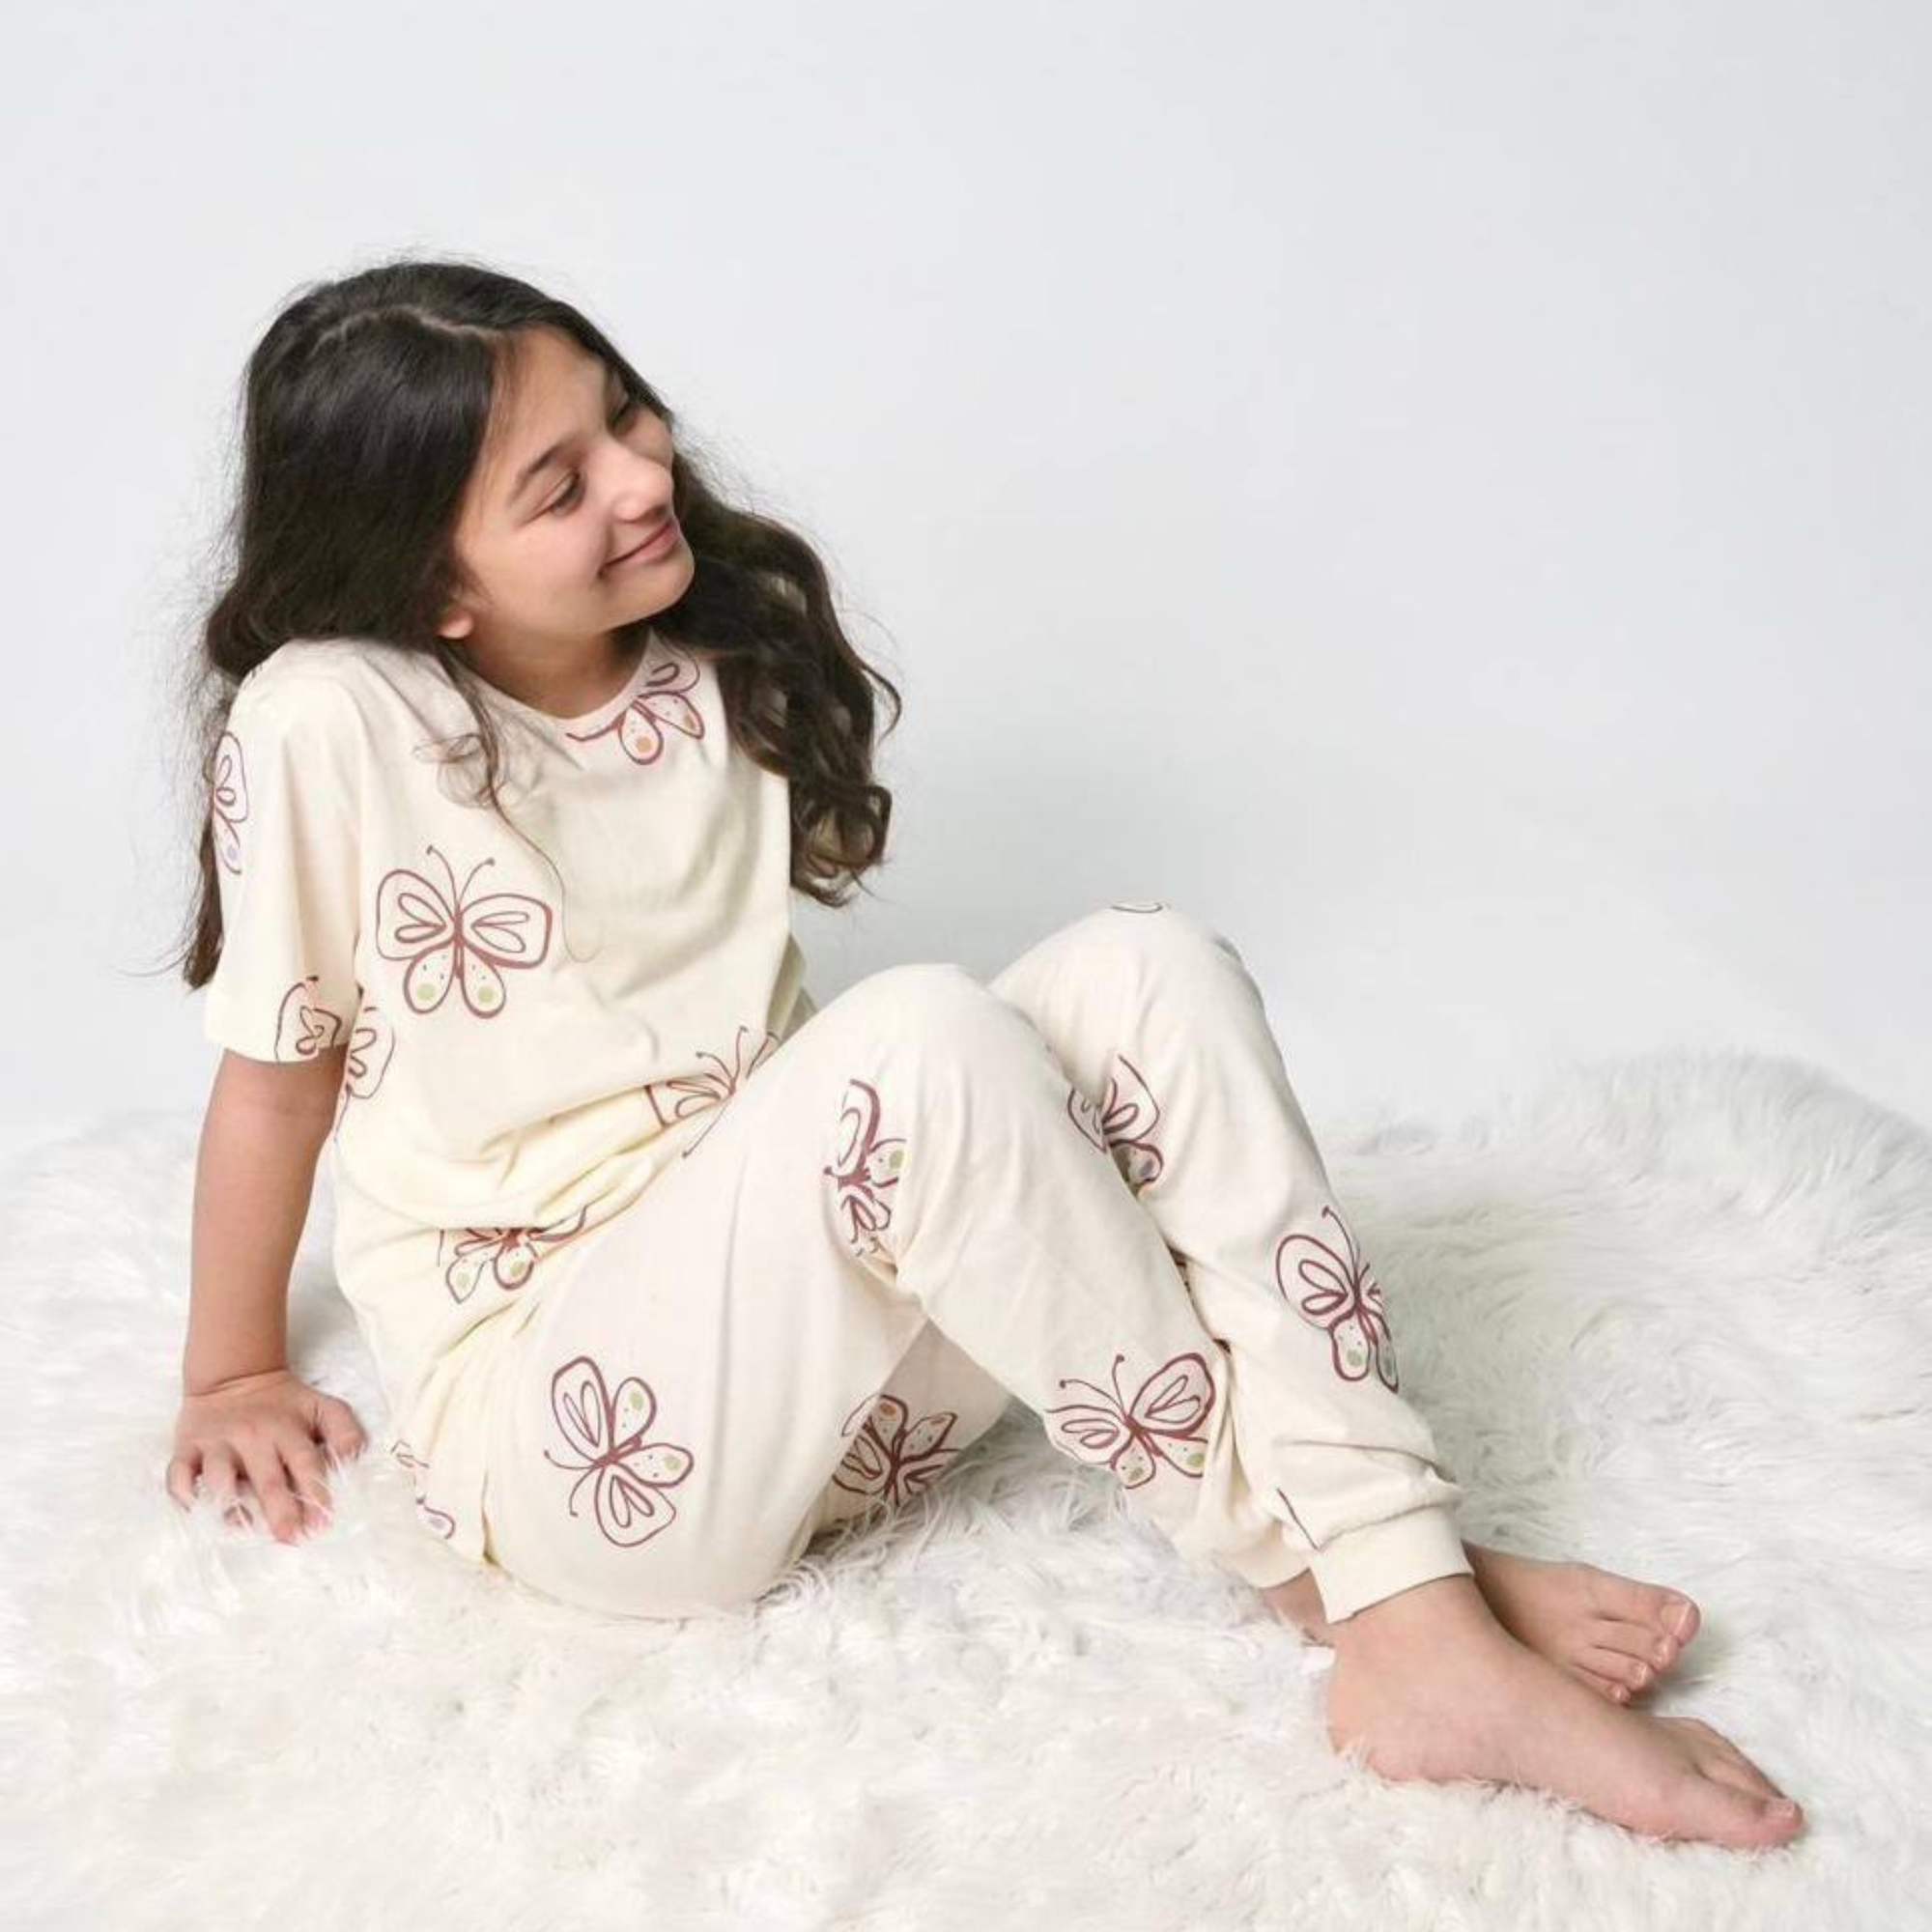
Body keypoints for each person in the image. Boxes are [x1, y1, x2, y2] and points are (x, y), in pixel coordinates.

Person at [163, 256, 1804, 1850]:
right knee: (921, 1040)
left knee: (1150, 966)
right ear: (433, 589)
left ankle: (1395, 1573)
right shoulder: (332, 719)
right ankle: (1368, 1597)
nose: (642, 476)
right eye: (559, 486)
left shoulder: (705, 651)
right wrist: (231, 1373)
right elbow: (277, 1080)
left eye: (624, 414)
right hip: (592, 1458)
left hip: (853, 1408)